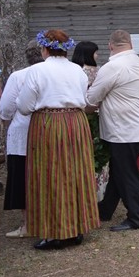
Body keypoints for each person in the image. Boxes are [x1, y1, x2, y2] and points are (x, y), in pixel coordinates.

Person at [16, 29, 100, 250]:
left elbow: (24, 106)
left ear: (44, 49)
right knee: (76, 173)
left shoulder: (37, 70)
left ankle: (56, 233)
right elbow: (83, 99)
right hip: (76, 123)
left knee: (50, 175)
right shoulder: (78, 71)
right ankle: (77, 227)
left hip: (48, 125)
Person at [87, 30, 139, 232]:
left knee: (126, 173)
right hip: (138, 126)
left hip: (122, 128)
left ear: (110, 46)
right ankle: (105, 210)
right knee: (119, 170)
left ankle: (136, 217)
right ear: (131, 45)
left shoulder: (113, 66)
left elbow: (91, 98)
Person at [0, 41, 43, 238]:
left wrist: (6, 121)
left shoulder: (19, 76)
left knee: (23, 178)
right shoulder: (52, 74)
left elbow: (6, 107)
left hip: (23, 130)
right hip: (46, 131)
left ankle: (28, 225)